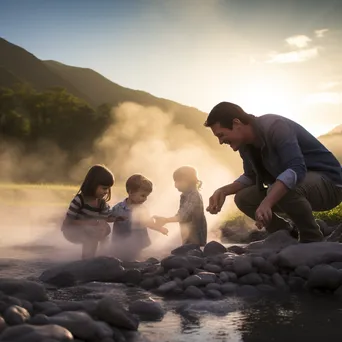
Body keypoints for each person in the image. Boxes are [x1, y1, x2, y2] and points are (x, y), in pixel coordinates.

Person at [205, 102, 342, 243]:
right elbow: (250, 177)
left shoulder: (275, 126)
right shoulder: (245, 146)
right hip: (303, 188)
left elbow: (295, 168)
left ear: (236, 123)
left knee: (283, 187)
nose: (221, 142)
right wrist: (223, 191)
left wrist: (267, 202)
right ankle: (285, 234)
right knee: (243, 198)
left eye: (221, 135)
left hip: (331, 185)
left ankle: (311, 238)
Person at [61, 164, 115, 259]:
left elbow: (105, 219)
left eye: (108, 188)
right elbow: (68, 222)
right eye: (104, 188)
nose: (106, 192)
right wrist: (87, 223)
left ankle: (102, 256)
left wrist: (117, 218)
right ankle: (87, 260)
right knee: (90, 236)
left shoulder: (102, 204)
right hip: (71, 230)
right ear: (93, 185)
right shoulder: (79, 200)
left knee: (105, 229)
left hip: (89, 229)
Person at [110, 174, 168, 261]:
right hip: (120, 240)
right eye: (143, 195)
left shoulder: (142, 209)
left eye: (147, 196)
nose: (145, 199)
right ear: (131, 192)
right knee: (120, 257)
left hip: (137, 242)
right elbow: (109, 217)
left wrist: (159, 229)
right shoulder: (118, 208)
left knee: (135, 258)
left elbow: (148, 223)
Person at [154, 166, 207, 246]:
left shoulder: (193, 196)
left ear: (188, 181)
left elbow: (182, 216)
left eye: (177, 181)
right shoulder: (186, 195)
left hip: (195, 237)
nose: (175, 185)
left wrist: (165, 220)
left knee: (192, 255)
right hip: (189, 236)